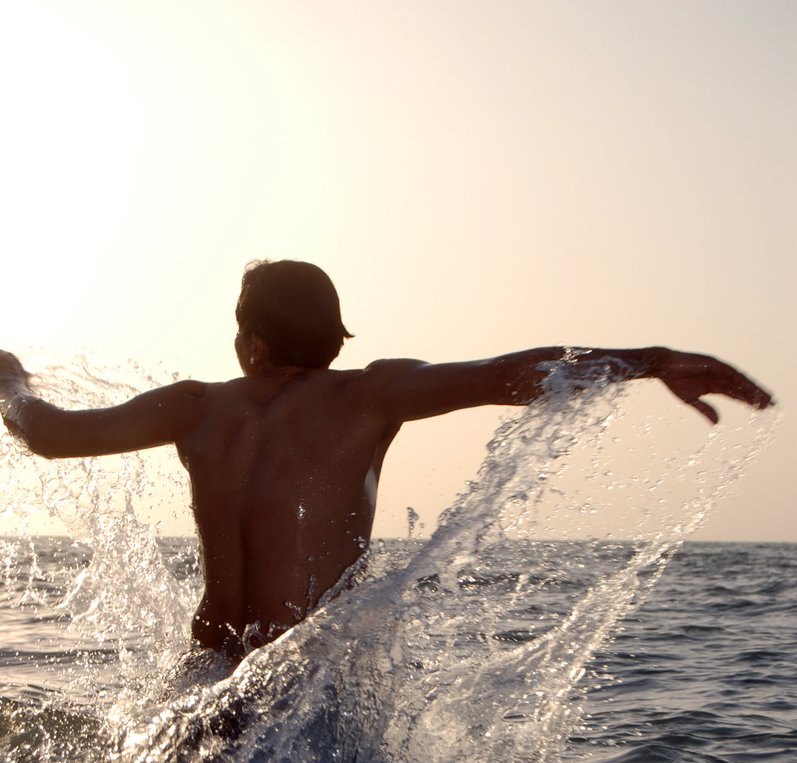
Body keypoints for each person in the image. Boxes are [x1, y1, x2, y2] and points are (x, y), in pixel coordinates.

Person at [0, 259, 773, 663]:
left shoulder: (194, 406)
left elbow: (50, 434)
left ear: (250, 342)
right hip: (300, 683)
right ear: (335, 339)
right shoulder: (368, 396)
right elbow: (510, 374)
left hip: (209, 677)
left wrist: (10, 380)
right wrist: (652, 360)